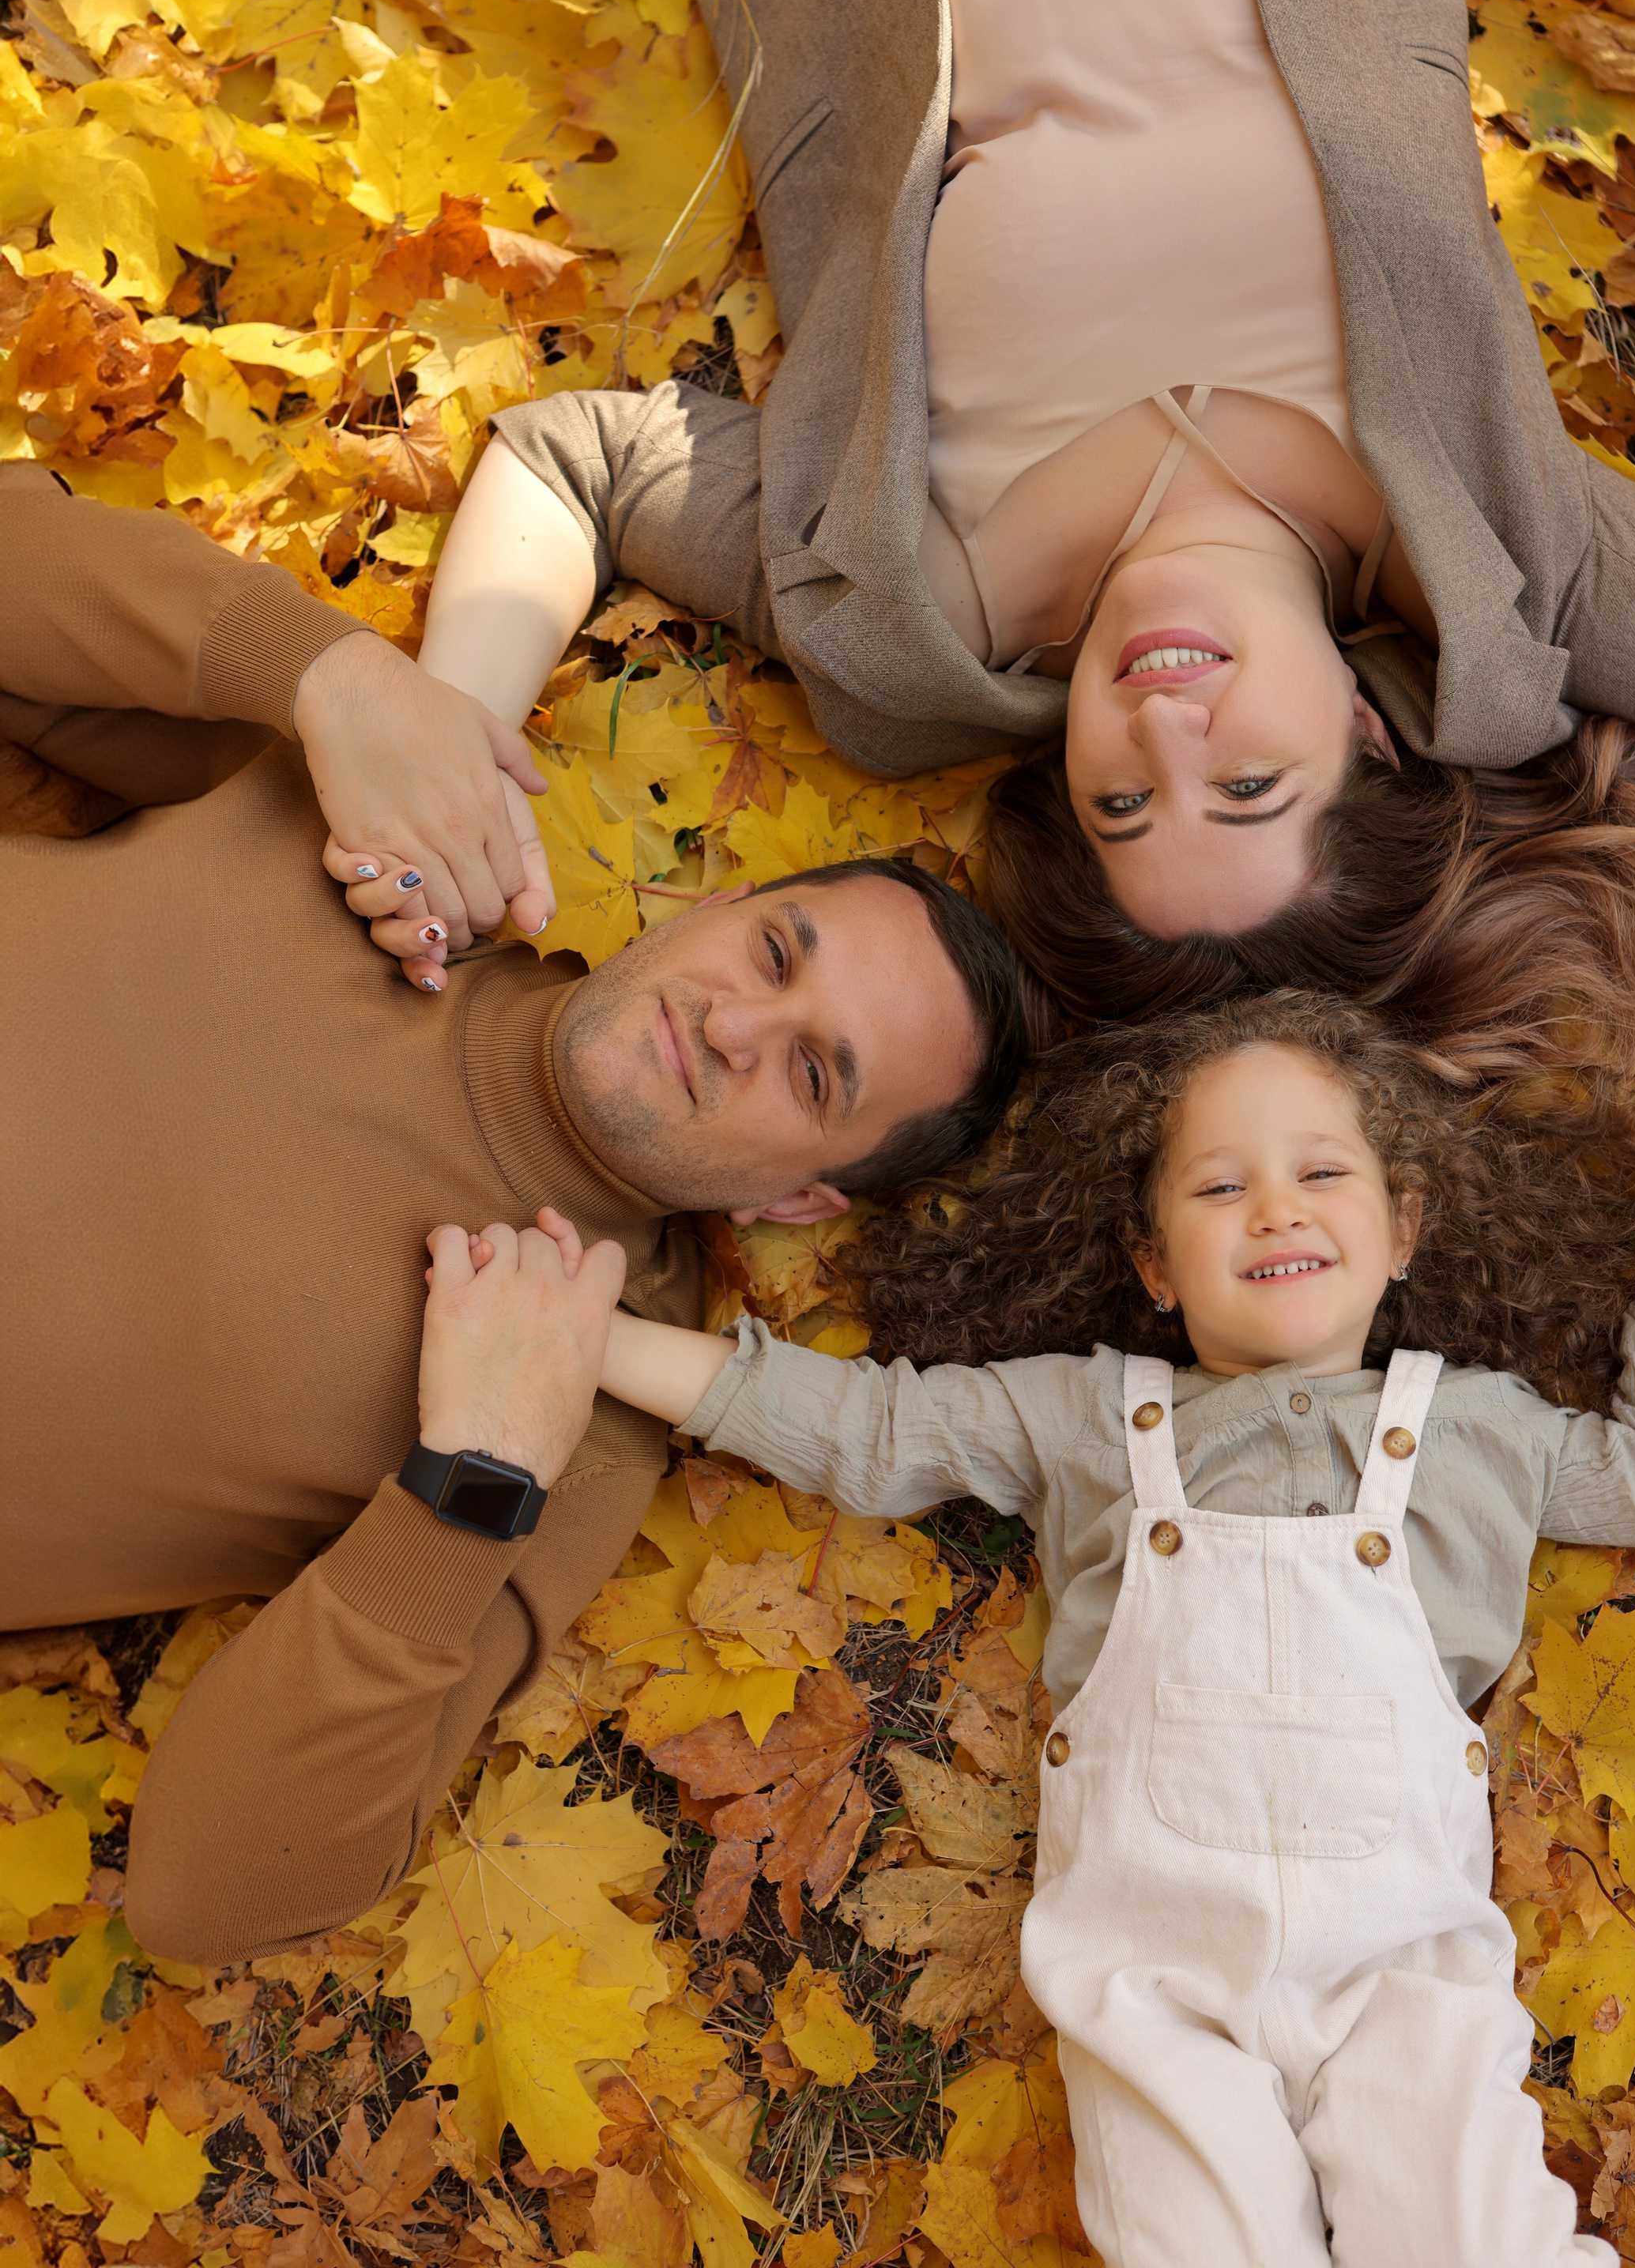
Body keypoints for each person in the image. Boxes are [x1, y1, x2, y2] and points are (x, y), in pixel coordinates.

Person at [306, 0, 1635, 1267]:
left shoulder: (918, 609)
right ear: (1365, 740)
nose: (1159, 734)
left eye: (1118, 810)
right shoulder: (1491, 549)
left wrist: (451, 732)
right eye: (1242, 785)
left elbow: (571, 465)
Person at [419, 993, 1635, 2267]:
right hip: (1151, 1976)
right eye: (1219, 1186)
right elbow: (869, 1431)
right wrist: (584, 1338)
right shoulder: (1088, 1417)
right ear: (1154, 1263)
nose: (1275, 1210)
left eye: (1322, 1173)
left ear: (1404, 1226)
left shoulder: (1480, 1428)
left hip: (1399, 1965)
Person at [0, 463, 1024, 1963]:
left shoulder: (575, 1403)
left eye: (811, 1072)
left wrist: (465, 1483)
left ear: (806, 1195)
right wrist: (335, 678)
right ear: (715, 910)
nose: (739, 1021)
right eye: (778, 950)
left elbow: (214, 1899)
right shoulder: (395, 831)